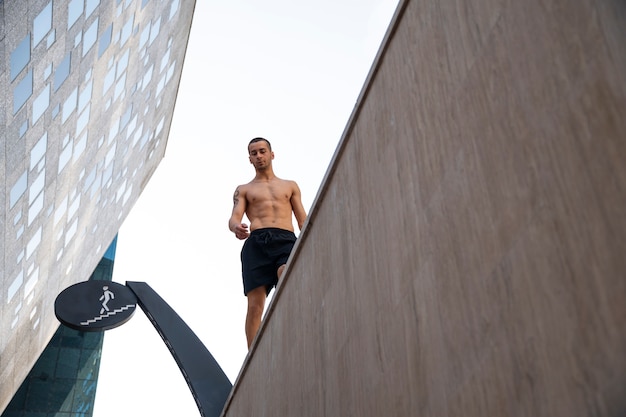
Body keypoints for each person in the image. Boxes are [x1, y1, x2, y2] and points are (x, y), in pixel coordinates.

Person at [229, 137, 307, 348]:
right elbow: (234, 217)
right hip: (257, 243)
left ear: (272, 154)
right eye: (254, 153)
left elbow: (303, 220)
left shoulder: (289, 186)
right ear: (250, 159)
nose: (259, 156)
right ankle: (253, 354)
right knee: (255, 306)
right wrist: (236, 227)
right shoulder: (244, 189)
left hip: (285, 240)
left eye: (262, 151)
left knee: (286, 273)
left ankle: (293, 329)